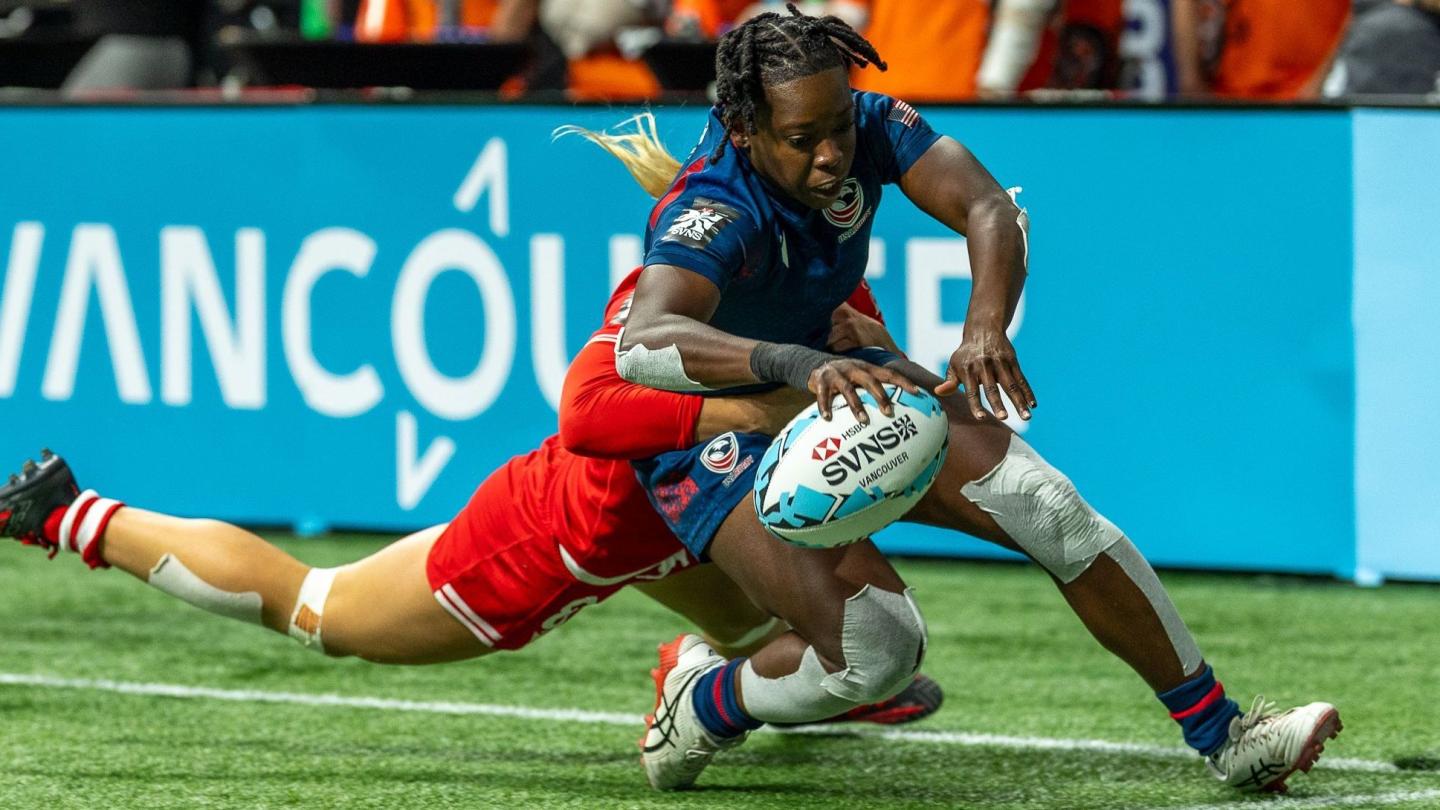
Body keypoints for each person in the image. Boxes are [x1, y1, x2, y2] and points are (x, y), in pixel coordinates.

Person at [559, 4, 1341, 793]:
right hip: (723, 434)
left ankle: (1226, 733)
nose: (832, 156)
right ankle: (709, 700)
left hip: (841, 381)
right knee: (878, 651)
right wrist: (790, 361)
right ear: (745, 128)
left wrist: (983, 328)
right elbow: (645, 344)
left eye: (837, 125)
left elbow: (989, 206)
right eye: (803, 140)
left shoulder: (865, 123)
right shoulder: (712, 207)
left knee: (1047, 505)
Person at [0, 285, 944, 734]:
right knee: (318, 609)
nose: (836, 170)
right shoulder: (684, 274)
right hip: (559, 539)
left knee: (773, 619)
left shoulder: (823, 261)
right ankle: (68, 511)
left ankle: (711, 673)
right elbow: (596, 413)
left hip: (682, 528)